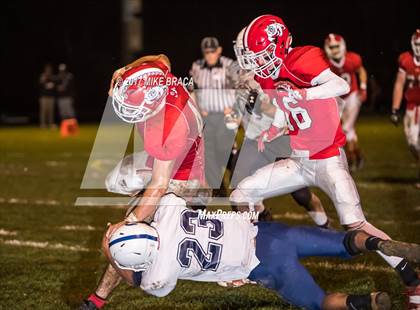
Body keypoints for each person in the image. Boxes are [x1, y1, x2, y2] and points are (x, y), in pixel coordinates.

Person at [231, 15, 420, 308]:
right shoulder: (269, 75)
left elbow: (338, 86)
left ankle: (412, 280)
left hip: (329, 160)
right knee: (241, 193)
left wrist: (304, 93)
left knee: (355, 225)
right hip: (299, 161)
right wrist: (274, 127)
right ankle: (246, 259)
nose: (256, 64)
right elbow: (285, 106)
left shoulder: (304, 58)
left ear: (278, 46)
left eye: (260, 56)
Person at [102, 192, 420, 310]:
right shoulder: (169, 212)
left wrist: (108, 250)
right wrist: (123, 224)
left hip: (263, 267)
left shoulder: (160, 273)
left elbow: (134, 279)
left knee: (320, 302)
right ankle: (378, 244)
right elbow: (163, 198)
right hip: (268, 233)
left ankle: (365, 303)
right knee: (343, 242)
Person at [80, 54, 207, 309]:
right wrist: (126, 69)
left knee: (121, 238)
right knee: (115, 180)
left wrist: (130, 221)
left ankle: (101, 297)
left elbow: (160, 184)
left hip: (183, 178)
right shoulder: (160, 75)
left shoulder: (169, 125)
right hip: (168, 158)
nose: (127, 109)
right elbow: (162, 57)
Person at [225, 63, 330, 227]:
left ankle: (324, 225)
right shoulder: (238, 94)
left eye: (242, 77)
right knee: (237, 189)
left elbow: (282, 111)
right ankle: (258, 219)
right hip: (255, 146)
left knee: (301, 194)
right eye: (236, 79)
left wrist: (259, 103)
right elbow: (234, 121)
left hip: (279, 143)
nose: (239, 82)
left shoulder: (269, 85)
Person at [189, 37, 239, 194]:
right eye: (207, 52)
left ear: (219, 50)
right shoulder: (197, 67)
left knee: (224, 149)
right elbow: (192, 90)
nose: (210, 55)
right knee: (207, 153)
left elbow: (242, 87)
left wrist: (234, 109)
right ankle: (219, 190)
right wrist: (197, 109)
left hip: (225, 116)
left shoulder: (229, 65)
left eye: (212, 51)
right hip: (207, 117)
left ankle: (239, 179)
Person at [324, 34, 368, 171]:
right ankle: (358, 156)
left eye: (336, 46)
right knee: (348, 131)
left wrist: (363, 87)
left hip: (352, 95)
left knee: (346, 129)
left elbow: (361, 71)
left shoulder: (352, 58)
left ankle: (349, 159)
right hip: (338, 98)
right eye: (331, 47)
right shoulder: (326, 63)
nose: (335, 50)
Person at [391, 29, 420, 189]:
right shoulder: (406, 60)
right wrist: (395, 109)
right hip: (411, 108)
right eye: (418, 45)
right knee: (412, 143)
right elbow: (399, 84)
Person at [39, 63, 56, 128]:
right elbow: (40, 84)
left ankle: (50, 124)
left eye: (49, 69)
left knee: (50, 111)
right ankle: (43, 124)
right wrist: (44, 80)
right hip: (43, 97)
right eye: (47, 69)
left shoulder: (52, 77)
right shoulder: (43, 76)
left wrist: (52, 85)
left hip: (51, 97)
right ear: (45, 69)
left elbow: (55, 86)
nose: (48, 70)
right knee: (43, 111)